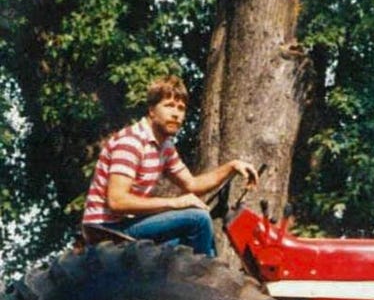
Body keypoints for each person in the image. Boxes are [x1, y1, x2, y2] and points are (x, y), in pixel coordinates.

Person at [82, 75, 258, 256]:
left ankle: (213, 277)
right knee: (198, 219)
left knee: (188, 244)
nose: (176, 113)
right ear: (151, 110)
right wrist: (176, 203)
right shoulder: (131, 142)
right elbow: (117, 201)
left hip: (128, 225)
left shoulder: (164, 147)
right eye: (169, 106)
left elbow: (193, 185)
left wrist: (232, 167)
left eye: (181, 108)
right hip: (107, 230)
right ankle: (203, 282)